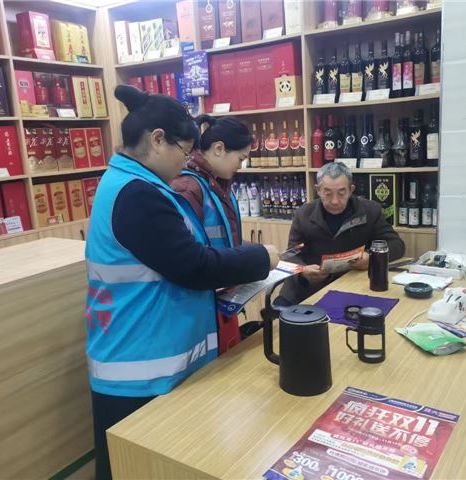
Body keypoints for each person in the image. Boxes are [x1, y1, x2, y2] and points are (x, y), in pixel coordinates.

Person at [85, 86, 279, 480]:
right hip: (139, 374)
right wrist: (261, 257)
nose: (187, 161)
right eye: (184, 150)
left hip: (150, 361)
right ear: (157, 140)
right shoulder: (136, 195)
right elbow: (193, 265)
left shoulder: (140, 185)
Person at [171, 115, 254, 352]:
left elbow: (224, 238)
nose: (241, 166)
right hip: (200, 304)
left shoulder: (217, 184)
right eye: (240, 158)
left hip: (221, 297)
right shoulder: (188, 188)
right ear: (219, 149)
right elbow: (187, 255)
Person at [279, 162, 405, 305]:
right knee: (280, 315)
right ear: (318, 190)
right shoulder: (304, 214)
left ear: (351, 190)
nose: (335, 201)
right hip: (307, 290)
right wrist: (303, 271)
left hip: (350, 286)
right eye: (328, 193)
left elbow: (396, 245)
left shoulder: (369, 211)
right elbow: (291, 254)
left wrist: (370, 258)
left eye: (341, 193)